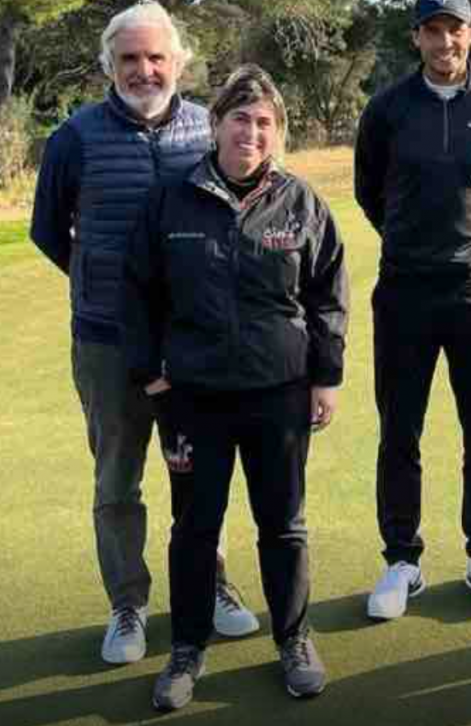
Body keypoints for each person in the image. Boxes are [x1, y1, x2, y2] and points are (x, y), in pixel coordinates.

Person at [29, 1, 258, 665]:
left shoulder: (204, 131)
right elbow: (49, 232)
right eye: (130, 58)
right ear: (110, 65)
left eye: (157, 57)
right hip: (106, 341)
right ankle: (127, 605)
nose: (144, 69)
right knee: (117, 480)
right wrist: (104, 286)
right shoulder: (75, 137)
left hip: (191, 340)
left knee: (200, 474)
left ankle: (210, 583)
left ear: (178, 63)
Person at [120, 65, 348, 710]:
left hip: (279, 393)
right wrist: (152, 372)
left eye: (265, 123)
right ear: (216, 123)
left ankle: (294, 638)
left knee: (284, 526)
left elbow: (328, 294)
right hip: (194, 396)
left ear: (278, 135)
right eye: (240, 119)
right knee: (195, 527)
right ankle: (187, 649)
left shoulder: (302, 203)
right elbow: (136, 291)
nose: (251, 132)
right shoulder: (173, 199)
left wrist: (326, 375)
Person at [355, 0, 471, 619]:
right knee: (399, 429)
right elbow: (367, 191)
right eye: (432, 30)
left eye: (454, 29)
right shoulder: (387, 109)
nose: (444, 41)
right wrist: (413, 245)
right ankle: (401, 560)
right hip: (404, 288)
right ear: (416, 38)